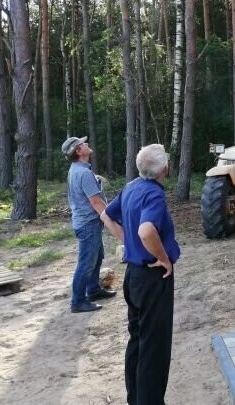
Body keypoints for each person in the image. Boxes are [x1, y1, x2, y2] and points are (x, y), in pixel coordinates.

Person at [101, 144, 181, 405]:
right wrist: (163, 258)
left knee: (137, 340)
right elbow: (146, 231)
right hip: (152, 278)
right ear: (164, 170)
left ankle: (135, 399)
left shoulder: (132, 186)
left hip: (133, 278)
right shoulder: (153, 195)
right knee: (154, 348)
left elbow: (105, 215)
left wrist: (127, 240)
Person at [62, 136, 115, 313]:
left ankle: (93, 290)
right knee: (85, 264)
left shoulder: (78, 169)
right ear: (78, 151)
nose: (87, 144)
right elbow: (96, 202)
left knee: (97, 257)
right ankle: (77, 302)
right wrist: (111, 219)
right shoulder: (83, 173)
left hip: (87, 223)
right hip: (88, 224)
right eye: (83, 144)